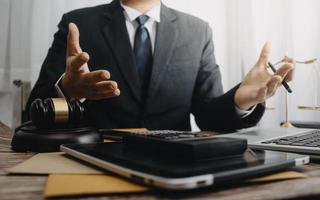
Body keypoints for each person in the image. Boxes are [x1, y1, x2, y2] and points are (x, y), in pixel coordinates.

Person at [26, 0, 294, 131]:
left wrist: (240, 100)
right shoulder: (78, 24)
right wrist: (67, 91)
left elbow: (208, 116)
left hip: (177, 168)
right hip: (91, 164)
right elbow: (35, 108)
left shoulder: (197, 31)